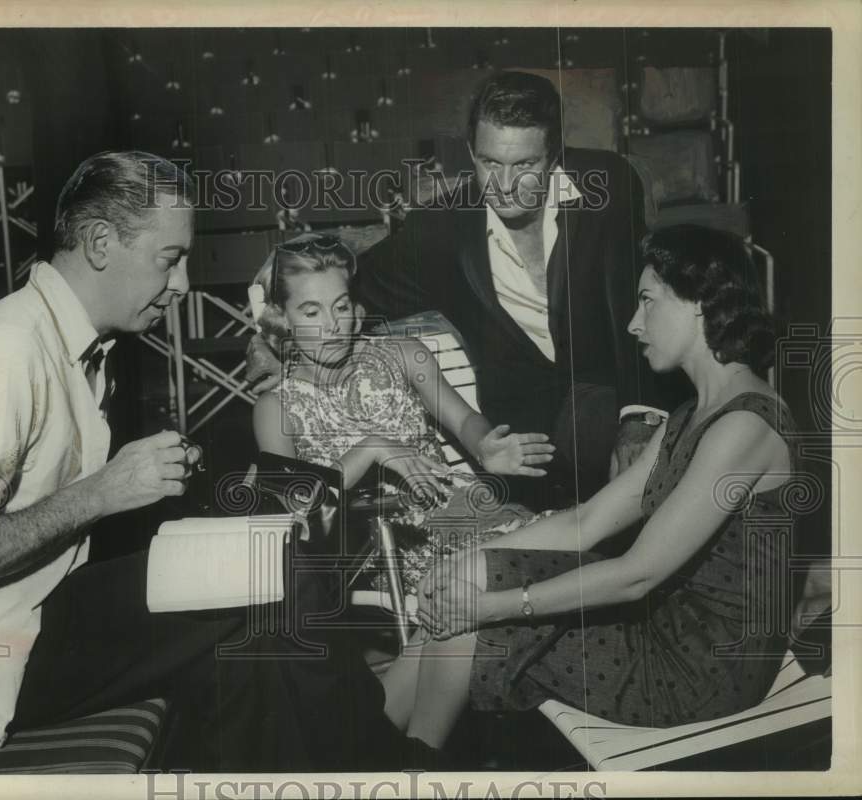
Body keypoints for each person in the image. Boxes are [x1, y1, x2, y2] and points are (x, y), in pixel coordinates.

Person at [0, 151, 425, 772]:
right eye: (169, 260)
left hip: (41, 616)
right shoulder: (5, 350)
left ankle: (350, 761)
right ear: (100, 243)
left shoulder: (68, 344)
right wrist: (105, 490)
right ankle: (378, 761)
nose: (180, 285)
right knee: (270, 582)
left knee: (268, 574)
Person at [378, 225, 797, 751]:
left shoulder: (746, 426)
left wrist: (493, 606)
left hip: (703, 668)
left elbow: (636, 575)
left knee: (476, 608)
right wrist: (462, 561)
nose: (632, 323)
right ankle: (378, 740)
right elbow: (586, 522)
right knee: (466, 580)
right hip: (664, 626)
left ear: (699, 303)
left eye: (647, 302)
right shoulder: (691, 415)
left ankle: (411, 760)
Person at [248, 70, 680, 509]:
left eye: (525, 165)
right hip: (520, 442)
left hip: (611, 403)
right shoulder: (442, 230)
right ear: (471, 152)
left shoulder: (606, 186)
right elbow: (345, 285)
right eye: (490, 163)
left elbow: (644, 302)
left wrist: (640, 415)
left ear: (553, 157)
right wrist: (269, 338)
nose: (505, 185)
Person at [250, 233, 554, 595]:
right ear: (282, 318)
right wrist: (370, 449)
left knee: (569, 549)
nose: (332, 324)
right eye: (311, 311)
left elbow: (464, 420)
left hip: (467, 513)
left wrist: (484, 446)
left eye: (342, 306)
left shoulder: (405, 355)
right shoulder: (275, 408)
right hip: (388, 552)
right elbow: (297, 508)